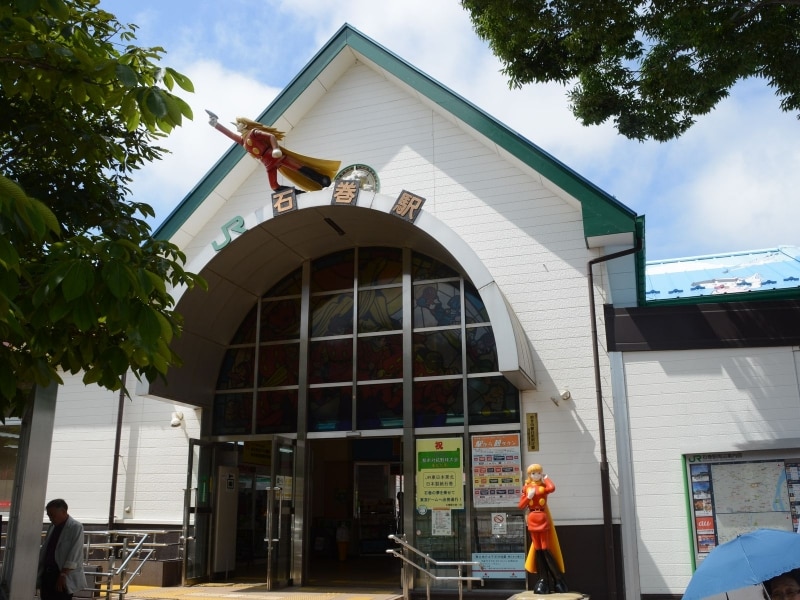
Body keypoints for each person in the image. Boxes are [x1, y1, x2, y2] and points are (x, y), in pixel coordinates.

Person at [207, 111, 341, 193]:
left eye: (238, 123)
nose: (236, 126)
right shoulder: (243, 140)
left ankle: (322, 179)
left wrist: (276, 148)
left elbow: (270, 136)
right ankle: (299, 194)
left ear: (244, 124)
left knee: (299, 168)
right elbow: (230, 135)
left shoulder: (253, 132)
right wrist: (216, 125)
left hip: (274, 156)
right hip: (267, 163)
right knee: (274, 186)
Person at [518, 464, 567, 594]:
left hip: (542, 517)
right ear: (529, 475)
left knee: (545, 549)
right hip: (532, 518)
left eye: (538, 473)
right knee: (538, 550)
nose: (536, 475)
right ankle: (543, 579)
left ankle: (557, 579)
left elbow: (552, 488)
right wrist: (528, 497)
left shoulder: (543, 487)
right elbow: (521, 505)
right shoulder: (526, 488)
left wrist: (547, 478)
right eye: (533, 473)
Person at [37, 499, 87, 600]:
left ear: (63, 512)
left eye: (53, 515)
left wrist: (63, 574)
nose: (50, 519)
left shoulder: (75, 527)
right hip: (47, 573)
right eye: (49, 516)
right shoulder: (52, 527)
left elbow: (74, 553)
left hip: (61, 574)